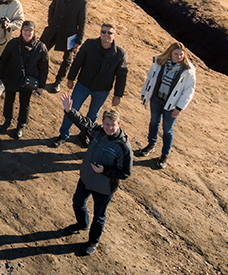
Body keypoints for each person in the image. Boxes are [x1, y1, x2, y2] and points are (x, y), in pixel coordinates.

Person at [59, 94, 133, 256]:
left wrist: (104, 171)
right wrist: (69, 110)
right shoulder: (97, 131)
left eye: (112, 125)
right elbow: (82, 122)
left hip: (104, 188)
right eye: (106, 124)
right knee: (77, 202)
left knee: (99, 217)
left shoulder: (124, 147)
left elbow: (125, 172)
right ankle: (82, 224)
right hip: (86, 179)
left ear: (119, 125)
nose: (109, 128)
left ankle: (93, 241)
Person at [50, 23, 128, 148]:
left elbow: (121, 76)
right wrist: (71, 78)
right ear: (100, 32)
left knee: (93, 115)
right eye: (104, 31)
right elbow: (78, 61)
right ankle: (63, 134)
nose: (106, 35)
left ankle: (85, 134)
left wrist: (118, 95)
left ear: (114, 35)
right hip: (83, 84)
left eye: (109, 33)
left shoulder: (120, 54)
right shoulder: (90, 44)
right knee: (71, 109)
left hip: (102, 90)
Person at [137, 42, 196, 169]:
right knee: (154, 121)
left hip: (172, 105)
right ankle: (151, 144)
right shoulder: (160, 63)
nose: (179, 57)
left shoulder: (188, 71)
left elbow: (188, 91)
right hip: (156, 99)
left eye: (181, 54)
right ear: (170, 53)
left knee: (168, 129)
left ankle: (165, 154)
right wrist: (144, 93)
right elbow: (150, 78)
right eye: (176, 54)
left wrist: (179, 108)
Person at [0, 21, 48, 139]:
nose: (27, 33)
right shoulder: (13, 43)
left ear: (34, 32)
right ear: (21, 31)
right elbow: (3, 59)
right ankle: (7, 120)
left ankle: (21, 125)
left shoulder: (41, 48)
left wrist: (41, 86)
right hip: (11, 77)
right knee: (9, 100)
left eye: (30, 30)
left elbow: (44, 69)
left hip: (28, 82)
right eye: (25, 30)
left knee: (25, 104)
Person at [42, 0, 89, 93]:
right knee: (40, 51)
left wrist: (78, 41)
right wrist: (51, 23)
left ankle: (58, 82)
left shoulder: (82, 1)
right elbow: (51, 8)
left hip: (69, 35)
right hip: (53, 30)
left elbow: (82, 22)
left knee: (67, 59)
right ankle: (34, 75)